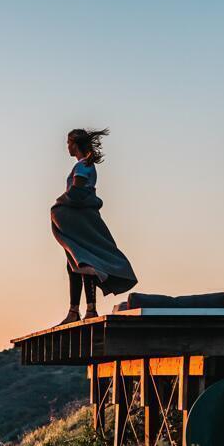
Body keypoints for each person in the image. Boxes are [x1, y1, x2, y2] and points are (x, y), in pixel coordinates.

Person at [51, 128, 138, 325]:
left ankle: (87, 309)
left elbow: (78, 189)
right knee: (75, 262)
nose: (67, 147)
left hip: (80, 220)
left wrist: (61, 202)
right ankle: (77, 310)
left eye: (68, 143)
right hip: (80, 219)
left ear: (74, 144)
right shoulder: (85, 164)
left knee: (84, 261)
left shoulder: (83, 166)